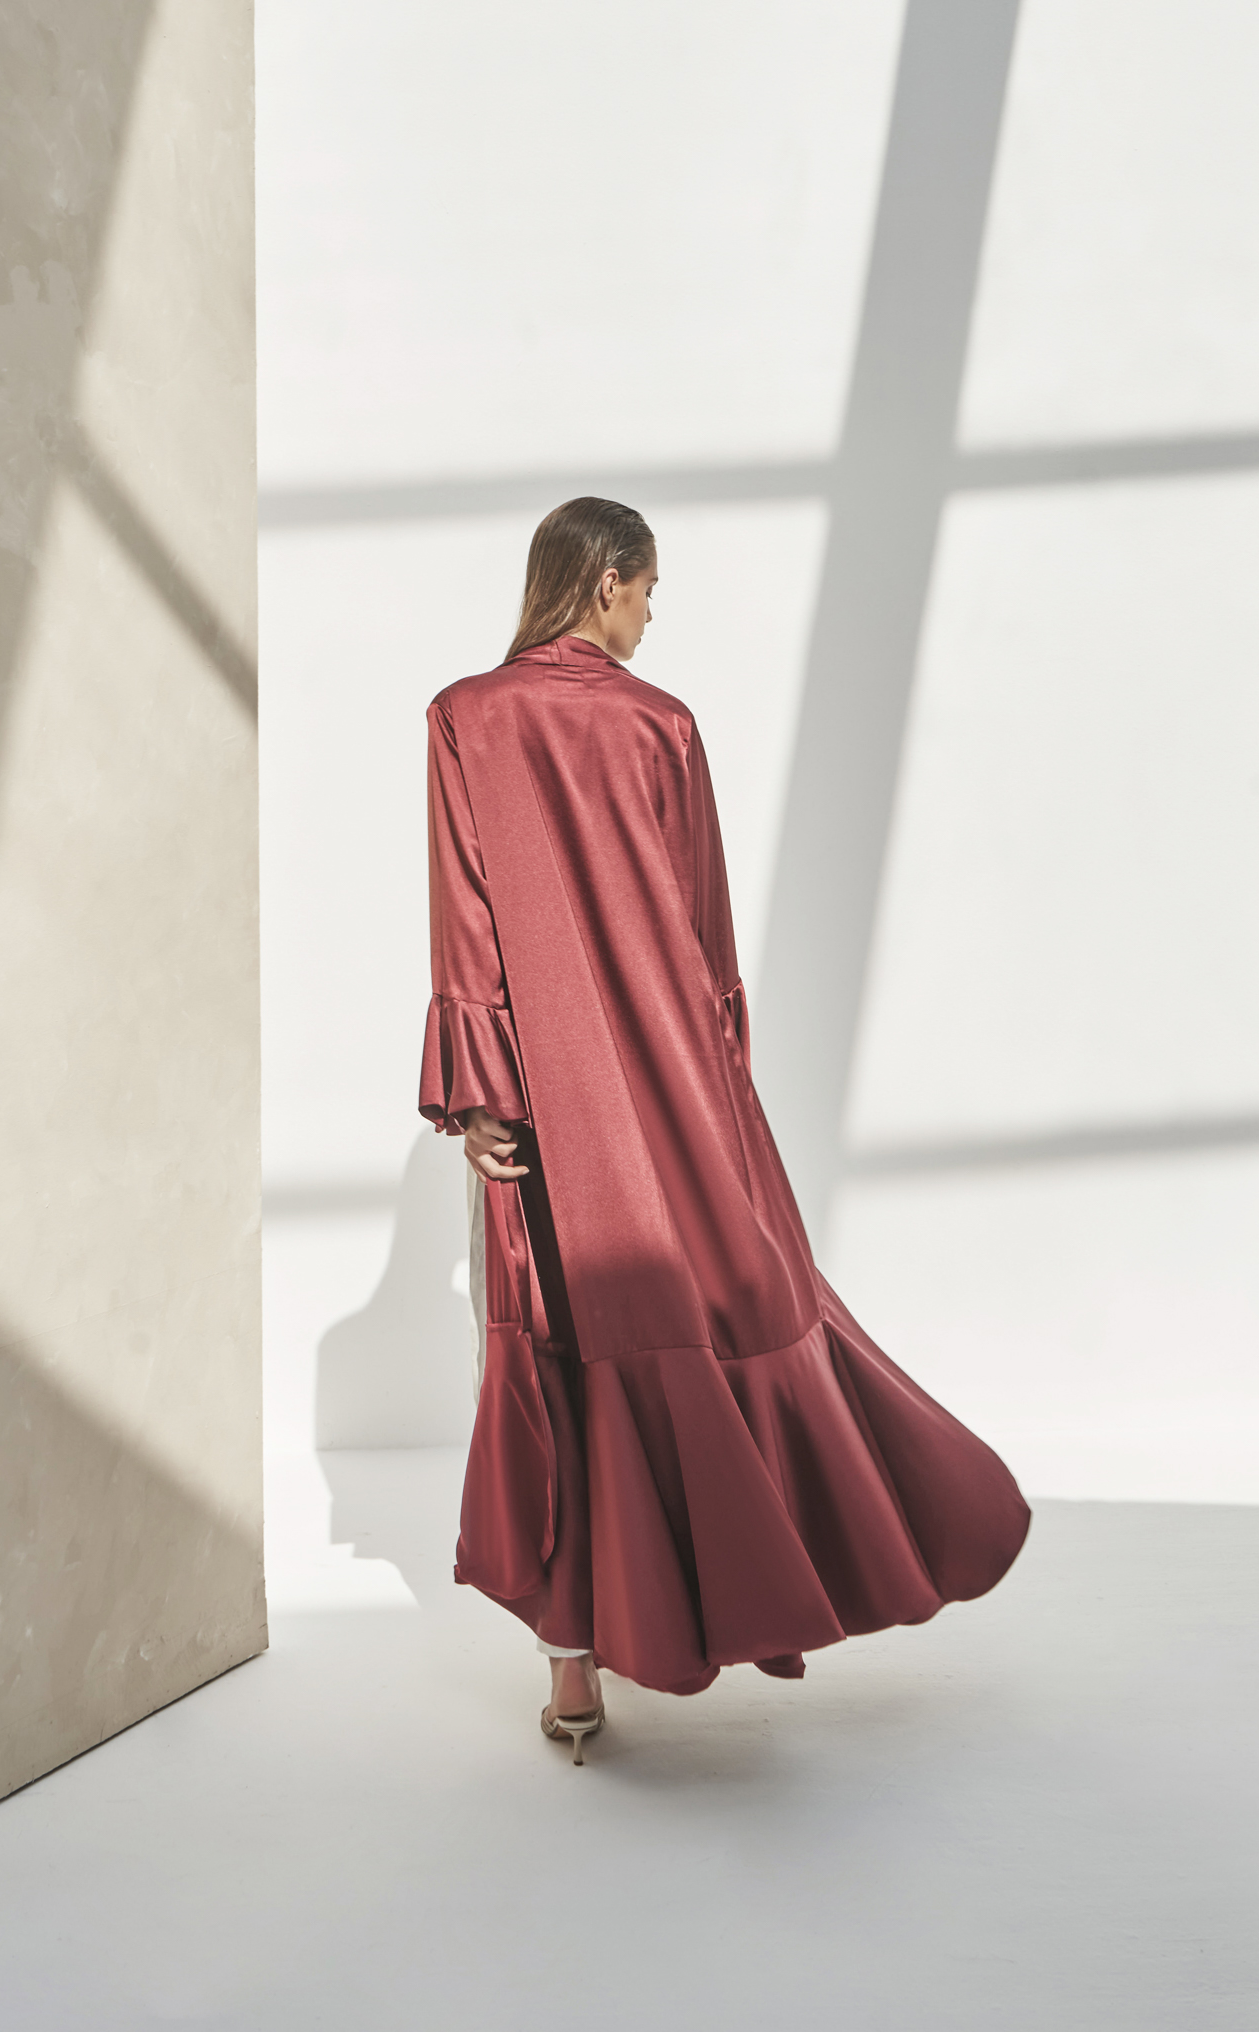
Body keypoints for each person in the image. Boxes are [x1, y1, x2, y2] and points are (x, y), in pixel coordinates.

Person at [418, 496, 1029, 1764]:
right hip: (674, 1096)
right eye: (648, 591)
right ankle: (736, 1591)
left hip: (541, 1109)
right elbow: (704, 942)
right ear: (606, 583)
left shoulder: (463, 717)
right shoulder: (663, 727)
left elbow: (466, 919)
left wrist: (479, 1095)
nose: (651, 617)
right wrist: (726, 1096)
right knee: (727, 1315)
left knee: (555, 1348)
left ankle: (574, 1680)